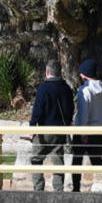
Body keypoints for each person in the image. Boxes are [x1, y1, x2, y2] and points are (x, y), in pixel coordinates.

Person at [71, 60, 102, 193]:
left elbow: (83, 114)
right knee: (96, 158)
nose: (80, 77)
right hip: (100, 129)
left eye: (82, 74)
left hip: (85, 130)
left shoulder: (85, 90)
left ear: (85, 74)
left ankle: (76, 188)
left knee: (77, 159)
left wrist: (82, 134)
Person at [29, 61, 73, 192]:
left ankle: (38, 188)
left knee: (36, 159)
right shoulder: (66, 88)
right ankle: (58, 190)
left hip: (44, 130)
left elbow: (37, 110)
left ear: (47, 72)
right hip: (60, 130)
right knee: (58, 161)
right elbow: (70, 108)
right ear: (60, 72)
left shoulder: (43, 88)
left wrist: (32, 127)